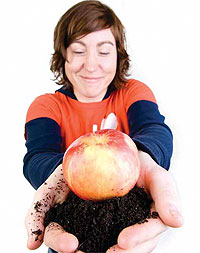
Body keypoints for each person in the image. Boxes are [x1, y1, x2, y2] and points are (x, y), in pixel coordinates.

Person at [23, 1, 184, 252]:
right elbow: (37, 157)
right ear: (62, 55)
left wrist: (142, 156)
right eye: (78, 50)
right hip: (70, 230)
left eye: (104, 51)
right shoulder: (46, 106)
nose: (90, 65)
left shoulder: (133, 92)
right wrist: (65, 172)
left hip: (128, 231)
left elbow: (154, 130)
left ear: (118, 54)